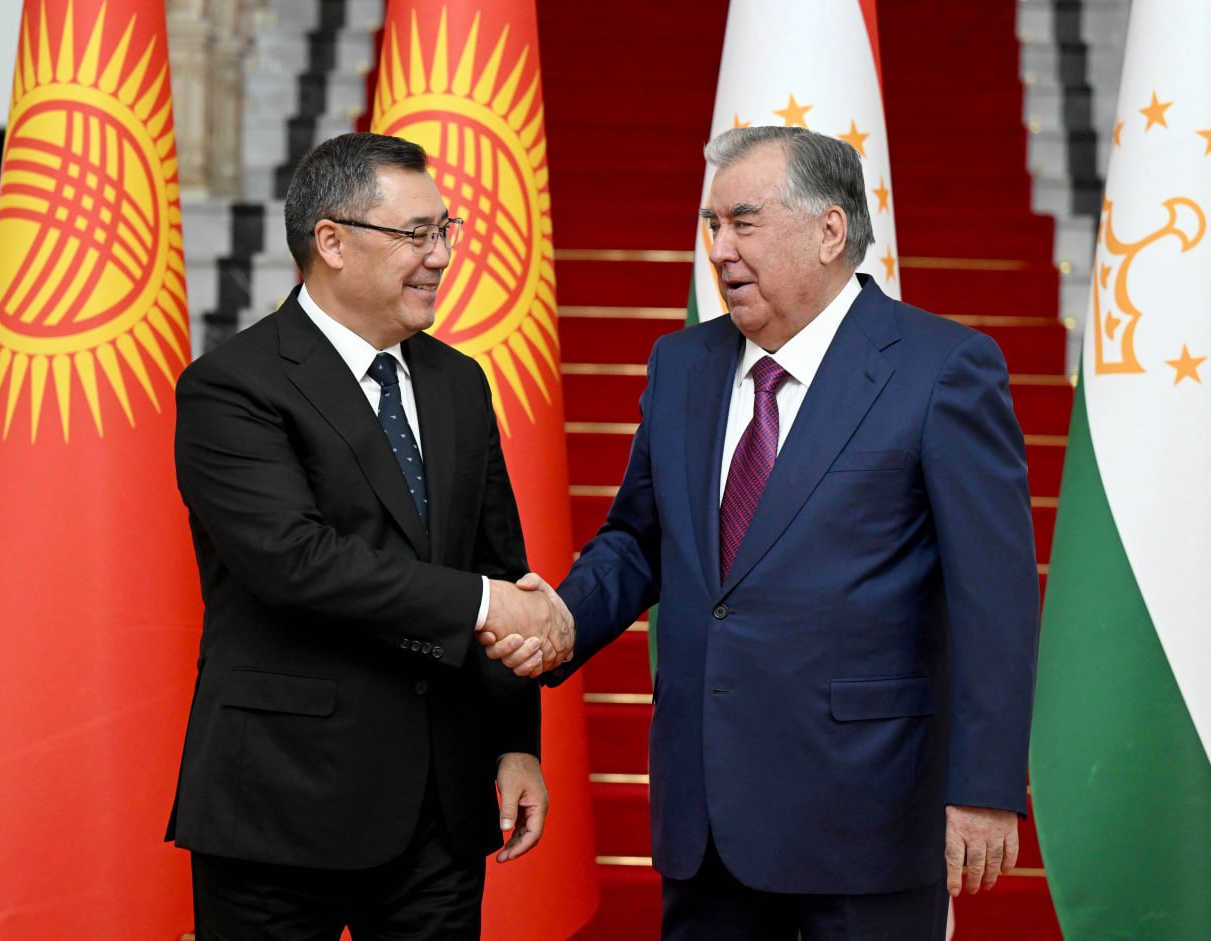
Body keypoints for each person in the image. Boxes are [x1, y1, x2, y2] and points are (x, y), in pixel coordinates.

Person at [484, 126, 1041, 940]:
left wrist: (985, 785)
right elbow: (639, 538)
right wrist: (562, 618)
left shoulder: (942, 367)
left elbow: (995, 595)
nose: (720, 248)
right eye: (712, 225)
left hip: (868, 812)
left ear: (829, 231)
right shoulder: (681, 363)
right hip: (705, 818)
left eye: (744, 222)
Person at [167, 131, 571, 940]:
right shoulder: (232, 386)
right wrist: (487, 604)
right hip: (281, 806)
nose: (441, 256)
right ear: (332, 241)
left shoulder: (459, 381)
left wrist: (514, 742)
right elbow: (298, 562)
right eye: (417, 233)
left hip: (440, 812)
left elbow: (495, 560)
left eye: (445, 230)